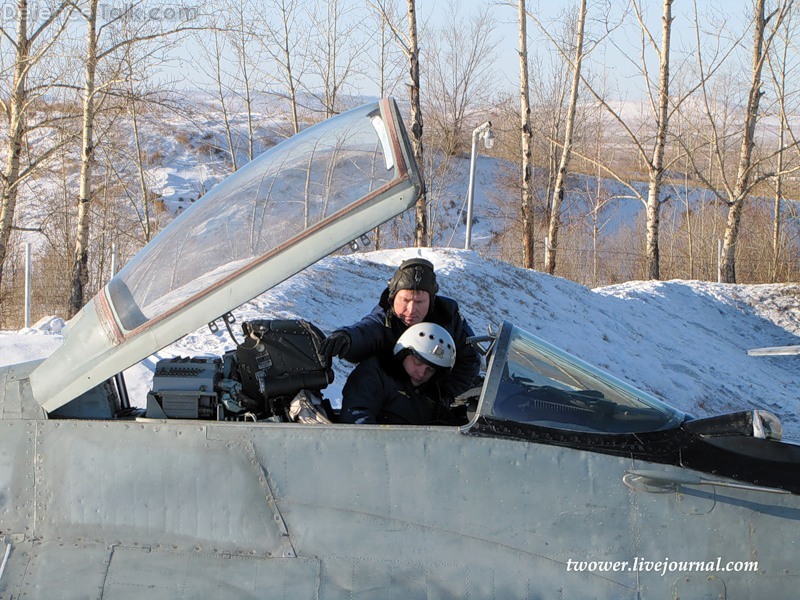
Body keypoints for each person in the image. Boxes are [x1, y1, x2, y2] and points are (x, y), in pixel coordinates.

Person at [321, 257, 481, 402]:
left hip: (435, 400)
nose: (411, 310)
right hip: (392, 402)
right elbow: (366, 332)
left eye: (419, 302)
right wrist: (347, 338)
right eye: (405, 300)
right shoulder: (385, 319)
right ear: (393, 297)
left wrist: (444, 395)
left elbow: (469, 359)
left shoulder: (448, 317)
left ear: (431, 301)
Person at [339, 322, 458, 424]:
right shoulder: (375, 374)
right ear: (403, 353)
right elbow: (357, 419)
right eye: (417, 362)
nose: (421, 373)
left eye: (430, 370)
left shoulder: (431, 392)